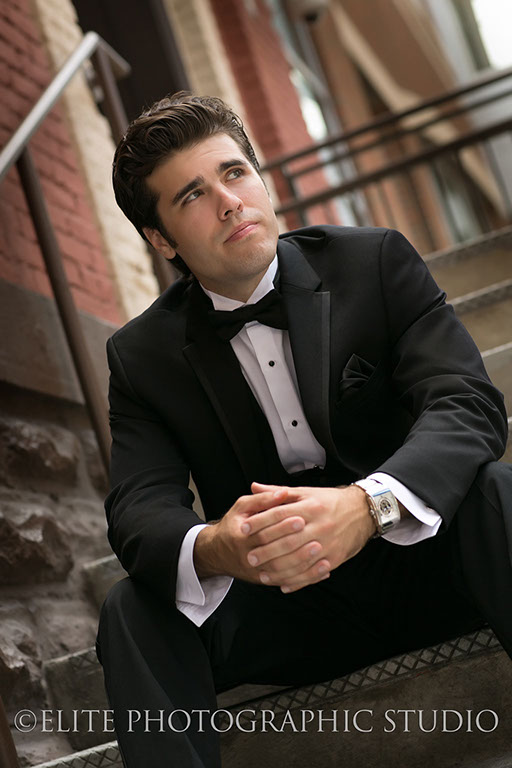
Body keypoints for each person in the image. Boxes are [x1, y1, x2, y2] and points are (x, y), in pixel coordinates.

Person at [96, 92, 512, 767]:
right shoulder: (140, 357)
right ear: (162, 240)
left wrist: (368, 506)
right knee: (130, 609)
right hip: (288, 609)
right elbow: (138, 506)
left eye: (235, 173)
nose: (229, 202)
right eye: (193, 195)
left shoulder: (374, 263)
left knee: (495, 491)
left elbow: (465, 402)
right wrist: (220, 547)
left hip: (423, 567)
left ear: (261, 180)